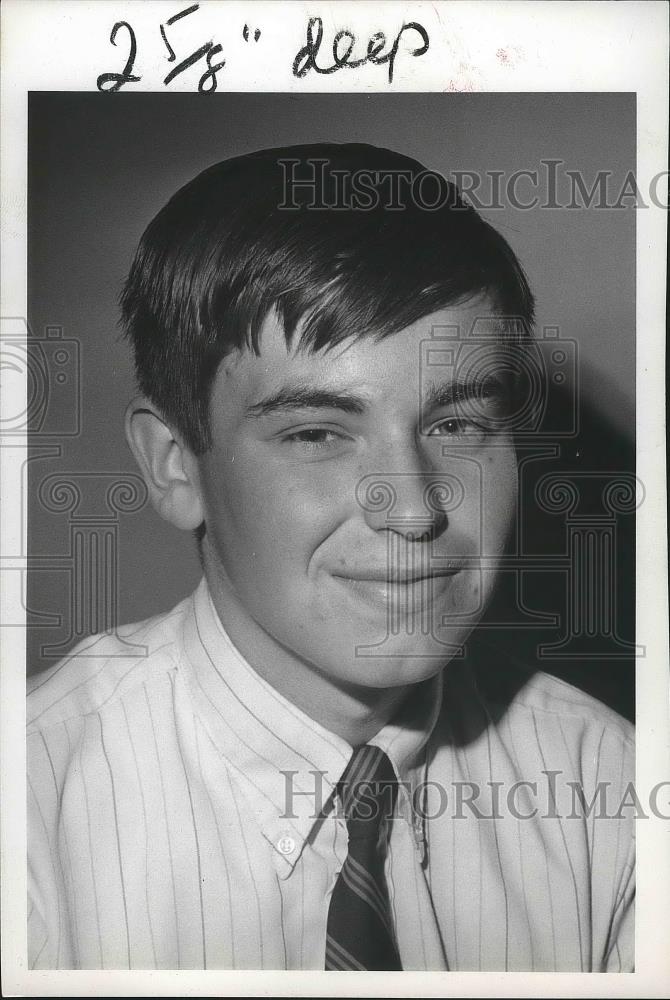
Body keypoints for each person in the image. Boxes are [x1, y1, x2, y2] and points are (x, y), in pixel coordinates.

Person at [27, 143, 634, 972]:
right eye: (317, 434)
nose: (416, 509)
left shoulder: (613, 791)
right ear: (175, 465)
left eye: (456, 425)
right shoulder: (29, 812)